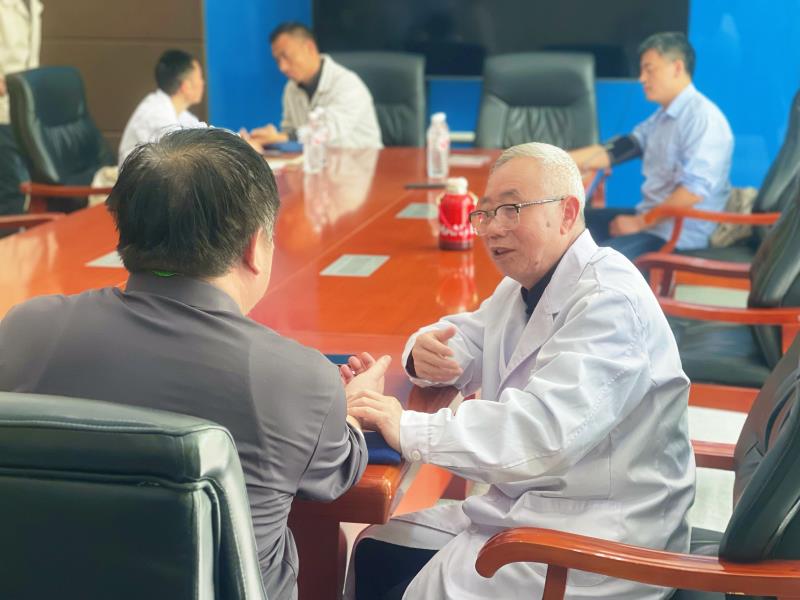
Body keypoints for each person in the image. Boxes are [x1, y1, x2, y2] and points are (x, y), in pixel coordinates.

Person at [0, 128, 390, 600]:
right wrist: (351, 409)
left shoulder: (24, 330)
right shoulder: (299, 382)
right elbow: (337, 473)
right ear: (254, 246)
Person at [344, 142, 695, 599]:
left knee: (401, 586)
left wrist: (405, 425)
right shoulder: (526, 285)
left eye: (511, 209)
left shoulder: (610, 302)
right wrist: (423, 354)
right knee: (374, 549)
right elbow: (467, 335)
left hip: (603, 539)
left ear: (567, 213)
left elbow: (539, 433)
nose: (493, 228)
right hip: (541, 508)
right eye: (486, 213)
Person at [570, 31, 733, 261]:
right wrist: (558, 158)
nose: (642, 79)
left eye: (649, 69)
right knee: (573, 223)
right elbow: (621, 149)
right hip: (652, 221)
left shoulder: (703, 119)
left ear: (677, 67)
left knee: (595, 262)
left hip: (676, 234)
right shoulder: (662, 118)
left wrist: (639, 223)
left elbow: (693, 191)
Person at [244, 22, 382, 149]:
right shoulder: (291, 88)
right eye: (277, 60)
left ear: (309, 47)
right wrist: (268, 139)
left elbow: (327, 132)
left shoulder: (348, 84)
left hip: (363, 163)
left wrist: (280, 138)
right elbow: (290, 132)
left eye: (286, 56)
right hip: (318, 163)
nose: (282, 67)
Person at [117, 49, 206, 165]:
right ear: (186, 86)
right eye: (200, 77)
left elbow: (205, 139)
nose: (203, 83)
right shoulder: (155, 114)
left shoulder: (182, 115)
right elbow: (185, 157)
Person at [0, 0, 42, 215]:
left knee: (21, 189)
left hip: (23, 110)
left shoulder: (33, 3)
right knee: (12, 191)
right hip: (3, 109)